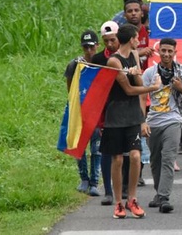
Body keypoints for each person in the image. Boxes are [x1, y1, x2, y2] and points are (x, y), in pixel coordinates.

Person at [100, 23, 161, 219]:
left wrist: (136, 74)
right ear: (131, 39)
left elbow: (138, 84)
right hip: (115, 115)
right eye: (136, 38)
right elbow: (128, 90)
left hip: (133, 114)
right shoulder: (114, 61)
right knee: (117, 159)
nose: (139, 41)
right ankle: (118, 202)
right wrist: (153, 88)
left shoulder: (134, 56)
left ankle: (132, 199)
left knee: (135, 156)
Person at [141, 38, 182, 214]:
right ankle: (159, 193)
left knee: (168, 158)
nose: (166, 54)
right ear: (159, 52)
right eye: (163, 51)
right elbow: (141, 98)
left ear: (175, 53)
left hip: (173, 120)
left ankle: (164, 197)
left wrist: (180, 88)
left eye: (170, 51)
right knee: (155, 162)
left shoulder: (181, 72)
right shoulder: (149, 73)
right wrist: (142, 121)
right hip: (153, 121)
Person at [65, 30, 102, 197]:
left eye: (91, 47)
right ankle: (84, 179)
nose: (89, 50)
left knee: (96, 149)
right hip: (80, 112)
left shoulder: (103, 63)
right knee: (79, 147)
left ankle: (94, 181)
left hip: (96, 112)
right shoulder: (74, 65)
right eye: (85, 47)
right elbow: (70, 88)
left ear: (97, 46)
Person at [91, 20, 120, 205]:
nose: (109, 44)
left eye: (113, 40)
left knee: (126, 153)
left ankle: (123, 189)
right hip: (106, 111)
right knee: (106, 151)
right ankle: (108, 191)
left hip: (124, 107)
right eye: (106, 41)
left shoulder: (125, 56)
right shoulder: (98, 59)